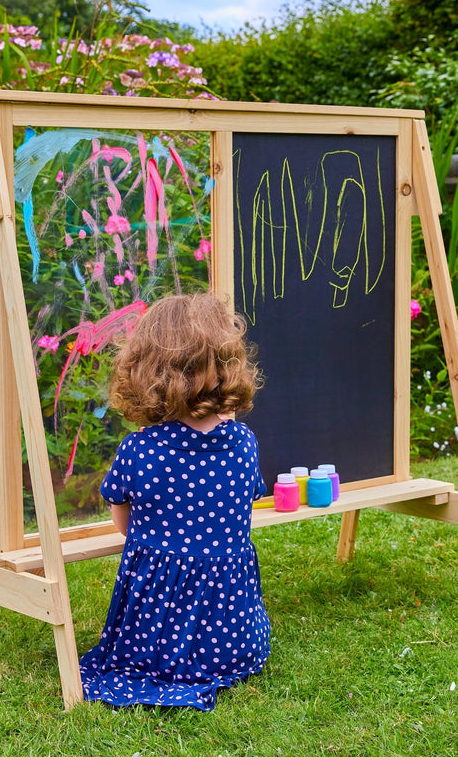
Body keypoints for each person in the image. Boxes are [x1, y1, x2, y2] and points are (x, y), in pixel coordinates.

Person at [79, 292, 270, 710]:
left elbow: (124, 520)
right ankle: (223, 654)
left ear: (147, 371)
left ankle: (166, 665)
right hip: (233, 635)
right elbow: (243, 507)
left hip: (155, 639)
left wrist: (162, 545)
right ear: (227, 366)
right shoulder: (244, 444)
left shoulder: (140, 450)